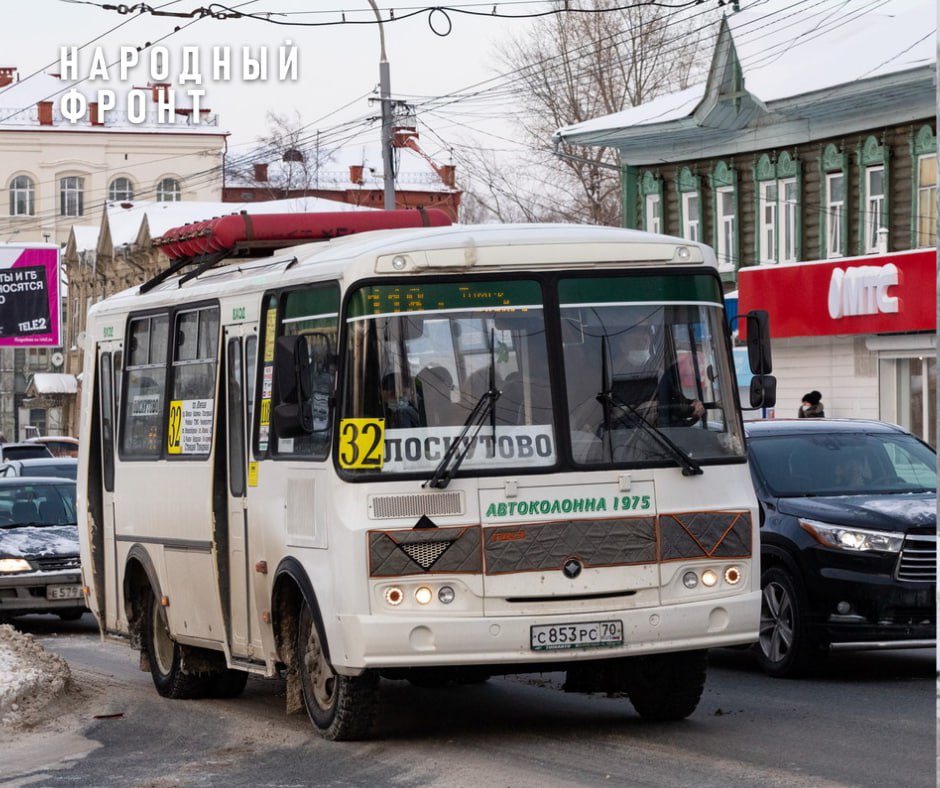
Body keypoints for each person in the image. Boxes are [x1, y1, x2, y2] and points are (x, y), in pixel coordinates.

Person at [610, 327, 705, 427]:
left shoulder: (659, 375)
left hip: (659, 438)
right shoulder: (609, 379)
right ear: (623, 346)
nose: (641, 347)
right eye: (636, 342)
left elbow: (681, 401)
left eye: (645, 342)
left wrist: (696, 404)